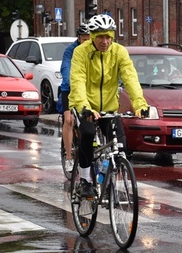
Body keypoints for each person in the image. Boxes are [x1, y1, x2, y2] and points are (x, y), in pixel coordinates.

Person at [68, 14, 148, 197]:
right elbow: (78, 80)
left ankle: (108, 177)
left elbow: (130, 78)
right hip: (85, 106)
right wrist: (84, 106)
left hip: (109, 107)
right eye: (101, 37)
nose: (105, 41)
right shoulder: (81, 52)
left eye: (108, 37)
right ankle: (85, 180)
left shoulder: (119, 52)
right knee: (87, 134)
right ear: (93, 37)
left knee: (121, 145)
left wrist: (140, 104)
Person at [59, 23, 90, 174]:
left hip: (87, 91)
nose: (86, 43)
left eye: (89, 39)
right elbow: (66, 69)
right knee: (69, 120)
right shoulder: (70, 51)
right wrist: (73, 82)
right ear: (78, 38)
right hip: (69, 90)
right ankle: (69, 157)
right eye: (84, 40)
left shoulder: (93, 50)